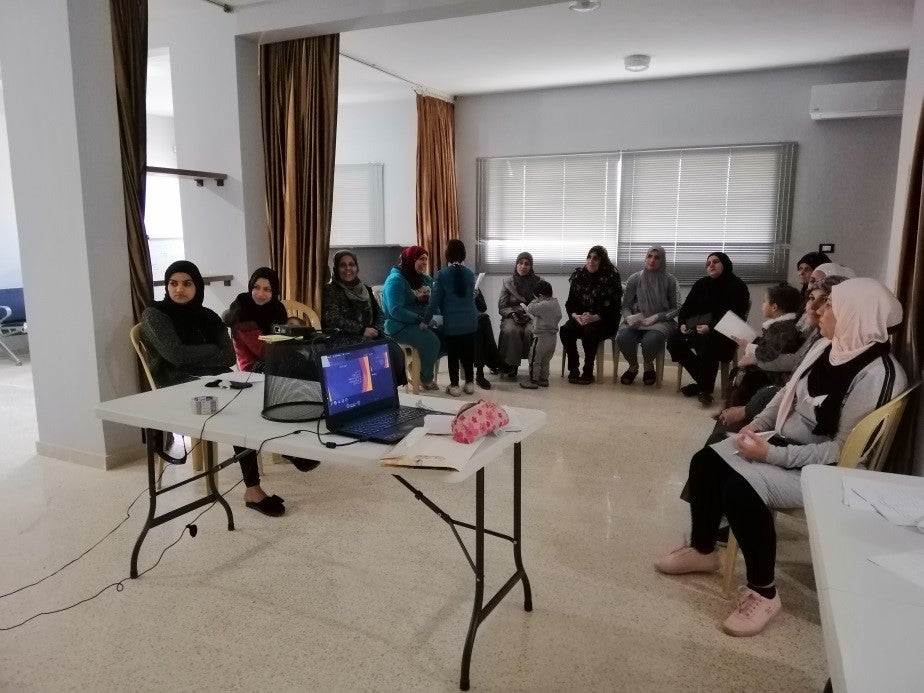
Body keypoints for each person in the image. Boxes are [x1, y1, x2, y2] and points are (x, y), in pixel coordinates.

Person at [656, 278, 907, 637]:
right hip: (786, 444)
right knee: (705, 461)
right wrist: (754, 427)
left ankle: (763, 591)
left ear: (858, 315)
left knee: (741, 490)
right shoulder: (828, 347)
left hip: (828, 471)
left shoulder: (877, 374)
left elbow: (843, 452)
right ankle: (703, 548)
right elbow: (786, 394)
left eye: (830, 305)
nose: (818, 310)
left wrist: (772, 453)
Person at [141, 260, 285, 517]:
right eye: (173, 283)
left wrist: (196, 355)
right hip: (175, 384)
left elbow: (228, 357)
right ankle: (253, 488)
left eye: (187, 284)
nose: (179, 290)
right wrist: (210, 351)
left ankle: (281, 458)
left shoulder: (206, 315)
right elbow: (175, 356)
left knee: (254, 394)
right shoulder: (154, 314)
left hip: (213, 378)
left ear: (197, 287)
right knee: (238, 408)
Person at [717, 275, 848, 433]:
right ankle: (729, 417)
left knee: (748, 381)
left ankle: (735, 422)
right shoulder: (817, 335)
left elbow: (792, 367)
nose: (814, 307)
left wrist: (753, 356)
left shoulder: (816, 337)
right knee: (740, 376)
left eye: (826, 301)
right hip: (787, 385)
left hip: (783, 381)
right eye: (811, 298)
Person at [667, 252, 749, 406]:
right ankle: (703, 383)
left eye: (715, 262)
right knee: (674, 341)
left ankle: (704, 390)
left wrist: (710, 327)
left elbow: (735, 315)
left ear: (725, 263)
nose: (711, 265)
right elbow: (686, 307)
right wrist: (683, 324)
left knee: (708, 341)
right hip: (696, 328)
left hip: (724, 332)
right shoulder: (701, 284)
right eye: (708, 263)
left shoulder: (738, 286)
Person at [321, 250, 407, 386]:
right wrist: (362, 330)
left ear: (357, 267)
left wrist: (376, 330)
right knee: (369, 349)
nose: (348, 268)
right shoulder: (331, 290)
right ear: (336, 268)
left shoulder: (365, 289)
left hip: (369, 334)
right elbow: (332, 318)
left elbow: (380, 313)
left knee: (393, 348)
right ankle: (368, 390)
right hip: (341, 337)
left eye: (351, 264)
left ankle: (387, 389)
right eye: (343, 265)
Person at [725, 282, 803, 407]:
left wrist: (748, 347)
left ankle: (737, 411)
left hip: (775, 374)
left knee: (744, 377)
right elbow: (770, 344)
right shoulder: (783, 325)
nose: (762, 305)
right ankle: (729, 408)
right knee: (737, 372)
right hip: (771, 368)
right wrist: (751, 342)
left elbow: (768, 353)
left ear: (774, 307)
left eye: (764, 302)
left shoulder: (780, 328)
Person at [616, 245, 680, 386]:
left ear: (662, 260)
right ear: (645, 258)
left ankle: (648, 366)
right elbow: (625, 306)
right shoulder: (635, 278)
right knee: (623, 337)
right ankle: (633, 366)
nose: (652, 260)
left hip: (660, 322)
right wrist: (628, 318)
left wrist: (657, 317)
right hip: (637, 320)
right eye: (649, 256)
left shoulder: (670, 281)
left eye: (657, 258)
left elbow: (676, 308)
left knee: (650, 341)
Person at [560, 245, 623, 385]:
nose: (591, 261)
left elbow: (615, 308)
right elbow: (570, 303)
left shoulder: (611, 275)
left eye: (595, 258)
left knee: (590, 331)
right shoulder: (579, 275)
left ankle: (588, 371)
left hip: (606, 319)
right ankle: (573, 368)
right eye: (589, 257)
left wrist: (594, 317)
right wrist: (575, 316)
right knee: (566, 330)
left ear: (602, 261)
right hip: (582, 317)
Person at [381, 246, 441, 390]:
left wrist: (438, 318)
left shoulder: (425, 279)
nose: (425, 263)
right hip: (399, 326)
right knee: (431, 340)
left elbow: (434, 302)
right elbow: (396, 311)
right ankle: (423, 377)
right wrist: (420, 319)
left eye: (426, 259)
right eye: (421, 259)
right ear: (410, 260)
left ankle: (418, 365)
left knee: (447, 335)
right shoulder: (395, 280)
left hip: (421, 321)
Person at [425, 239, 477, 396]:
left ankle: (454, 386)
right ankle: (469, 383)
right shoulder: (469, 273)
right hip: (470, 322)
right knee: (468, 354)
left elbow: (434, 302)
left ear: (446, 254)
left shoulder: (441, 275)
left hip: (452, 324)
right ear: (463, 254)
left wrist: (425, 320)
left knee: (453, 354)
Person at [224, 267, 288, 373]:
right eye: (256, 287)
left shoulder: (277, 308)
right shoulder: (242, 309)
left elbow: (282, 338)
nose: (260, 294)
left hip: (274, 360)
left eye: (267, 289)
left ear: (274, 291)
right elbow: (262, 350)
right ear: (251, 286)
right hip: (251, 369)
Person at [497, 252, 542, 378]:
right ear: (516, 265)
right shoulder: (508, 282)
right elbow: (502, 306)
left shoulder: (539, 283)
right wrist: (512, 313)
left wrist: (530, 313)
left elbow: (543, 304)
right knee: (511, 331)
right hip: (512, 316)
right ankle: (511, 366)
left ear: (531, 266)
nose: (523, 266)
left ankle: (535, 367)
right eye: (520, 263)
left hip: (531, 316)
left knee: (531, 331)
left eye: (527, 264)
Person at [519, 280, 562, 389]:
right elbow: (543, 318)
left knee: (534, 359)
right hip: (552, 339)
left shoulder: (542, 304)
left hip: (541, 338)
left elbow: (530, 308)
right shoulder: (555, 303)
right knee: (545, 361)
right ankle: (544, 379)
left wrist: (534, 300)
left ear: (540, 296)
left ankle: (533, 381)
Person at [473, 289, 501, 390]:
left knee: (483, 319)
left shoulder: (473, 284)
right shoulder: (448, 281)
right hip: (457, 315)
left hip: (474, 316)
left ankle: (481, 372)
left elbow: (483, 308)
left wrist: (476, 297)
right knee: (479, 323)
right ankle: (494, 362)